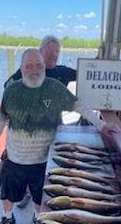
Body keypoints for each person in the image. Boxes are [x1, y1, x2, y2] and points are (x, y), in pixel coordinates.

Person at [0, 48, 121, 224]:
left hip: (44, 158)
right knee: (7, 195)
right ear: (22, 68)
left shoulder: (55, 88)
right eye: (29, 65)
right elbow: (0, 118)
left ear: (44, 67)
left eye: (38, 65)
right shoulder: (11, 90)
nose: (34, 69)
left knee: (39, 196)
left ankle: (38, 217)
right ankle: (7, 217)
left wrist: (102, 126)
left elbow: (81, 107)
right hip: (14, 157)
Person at [5, 35, 77, 209]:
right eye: (50, 52)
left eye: (56, 53)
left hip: (55, 128)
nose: (54, 56)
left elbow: (88, 74)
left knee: (50, 164)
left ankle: (44, 197)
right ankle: (26, 193)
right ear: (40, 51)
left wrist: (98, 62)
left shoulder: (61, 72)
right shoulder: (29, 71)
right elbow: (7, 87)